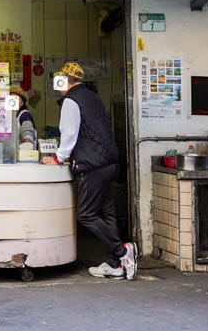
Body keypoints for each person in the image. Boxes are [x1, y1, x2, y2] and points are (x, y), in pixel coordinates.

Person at [42, 61, 137, 280]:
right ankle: (115, 265)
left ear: (65, 80)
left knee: (86, 214)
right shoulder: (92, 97)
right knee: (107, 212)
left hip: (92, 165)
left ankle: (123, 251)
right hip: (110, 162)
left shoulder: (70, 101)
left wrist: (59, 158)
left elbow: (69, 133)